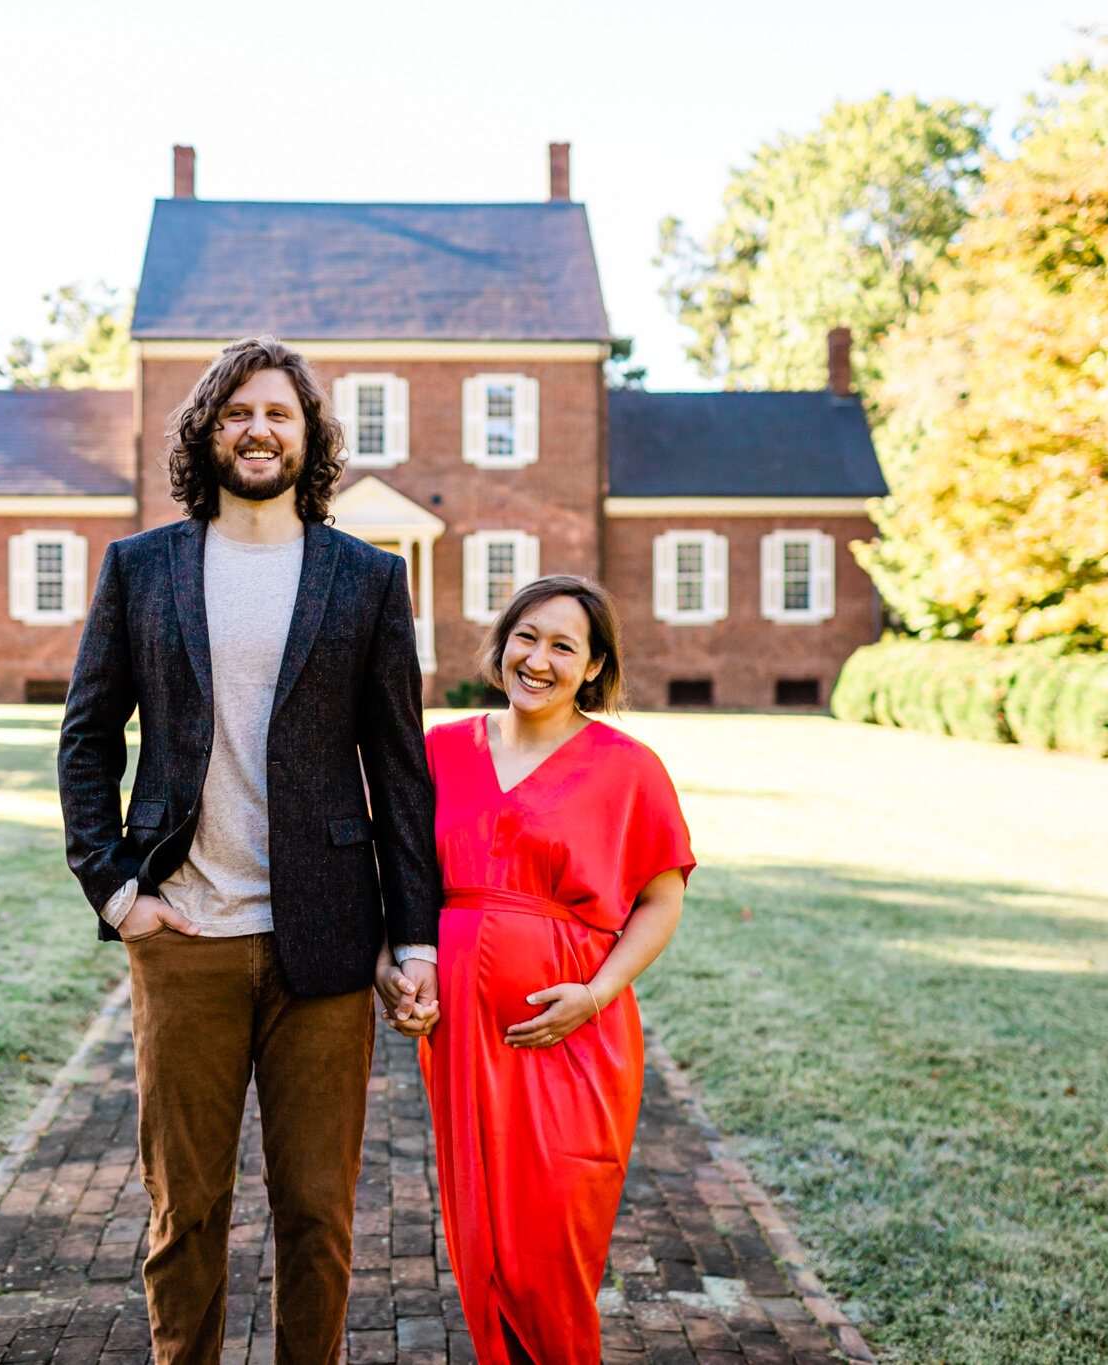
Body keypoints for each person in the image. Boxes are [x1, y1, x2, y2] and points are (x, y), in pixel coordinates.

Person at [58, 336, 441, 1365]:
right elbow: (88, 737)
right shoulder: (141, 569)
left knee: (316, 1219)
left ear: (309, 434)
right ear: (206, 433)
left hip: (324, 946)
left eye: (277, 412)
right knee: (185, 1216)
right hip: (183, 935)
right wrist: (115, 891)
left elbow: (400, 769)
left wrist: (415, 941)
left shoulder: (363, 579)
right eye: (235, 413)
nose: (256, 430)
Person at [384, 575, 694, 1365]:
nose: (539, 659)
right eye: (527, 636)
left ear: (593, 667)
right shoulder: (442, 750)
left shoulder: (628, 768)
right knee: (483, 1243)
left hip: (572, 1039)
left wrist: (593, 994)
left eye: (564, 646)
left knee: (552, 1241)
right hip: (459, 1040)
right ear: (502, 642)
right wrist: (395, 963)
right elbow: (399, 879)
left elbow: (660, 900)